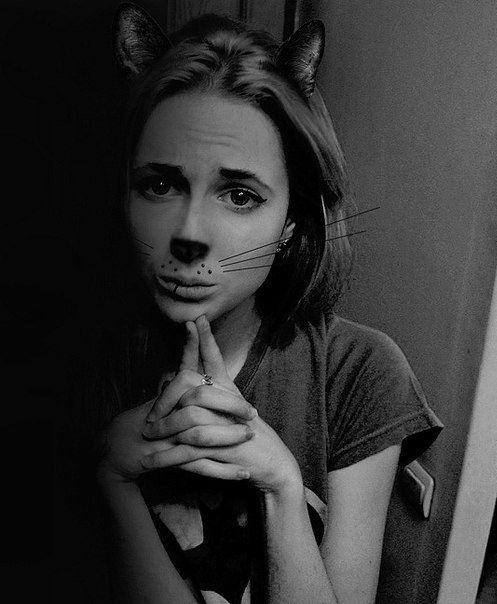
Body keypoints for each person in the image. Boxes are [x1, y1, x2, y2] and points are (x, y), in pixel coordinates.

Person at [63, 3, 442, 603]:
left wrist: (281, 487)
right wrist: (114, 479)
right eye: (160, 185)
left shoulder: (358, 373)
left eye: (239, 195)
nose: (189, 235)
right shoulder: (67, 362)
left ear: (292, 220)